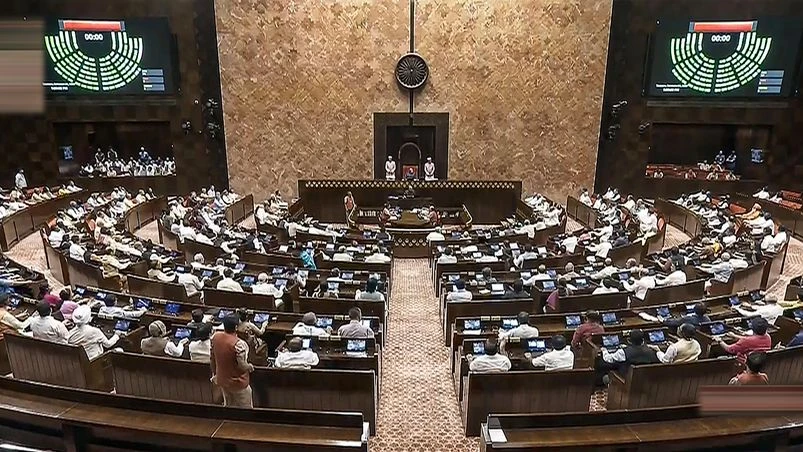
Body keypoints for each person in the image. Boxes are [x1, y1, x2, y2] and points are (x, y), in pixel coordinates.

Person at [210, 314, 254, 408]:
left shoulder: (215, 337)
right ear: (236, 327)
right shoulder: (239, 344)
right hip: (238, 383)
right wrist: (249, 367)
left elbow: (212, 358)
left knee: (229, 408)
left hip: (222, 380)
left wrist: (215, 374)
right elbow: (242, 366)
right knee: (246, 410)